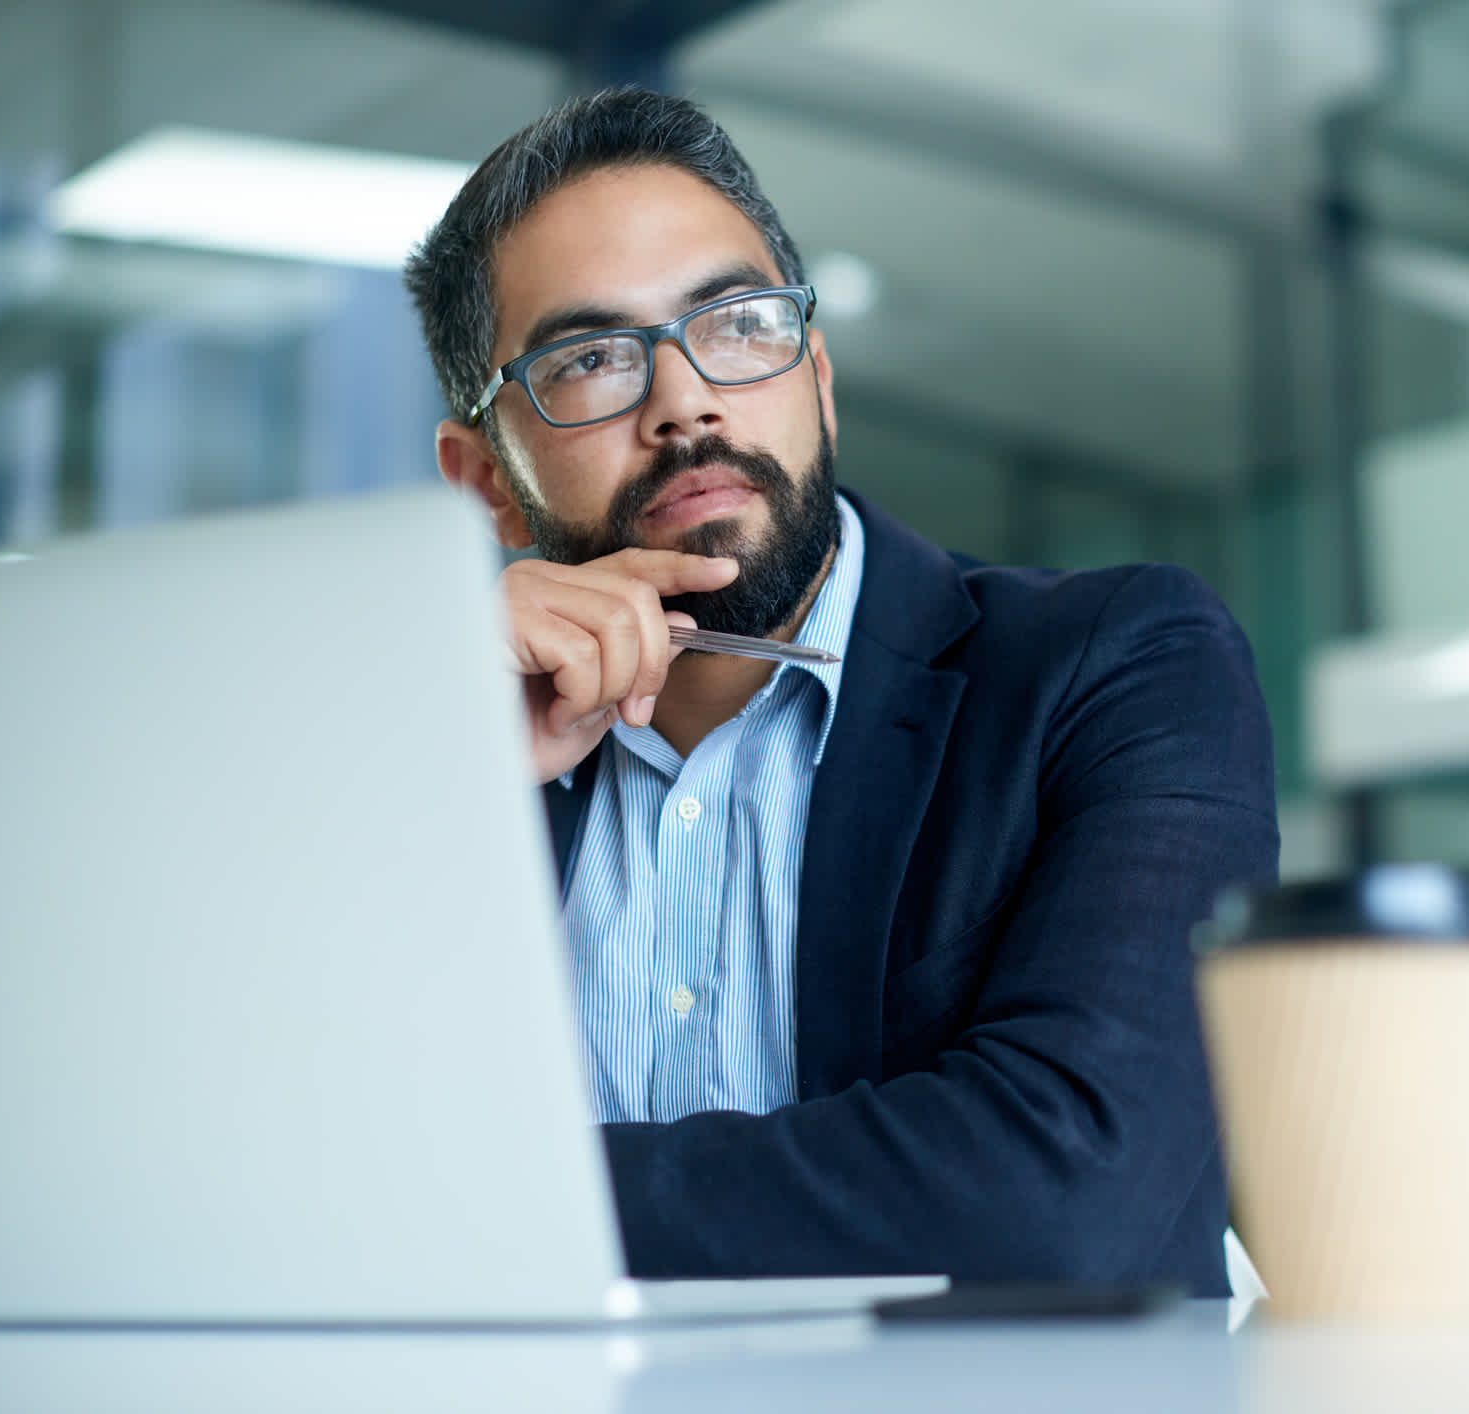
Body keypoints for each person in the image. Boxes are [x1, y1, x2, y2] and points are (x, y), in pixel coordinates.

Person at [404, 88, 1277, 1296]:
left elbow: (1064, 1208)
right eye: (591, 358)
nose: (685, 403)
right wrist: (437, 778)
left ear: (816, 376)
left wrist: (467, 1211)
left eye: (739, 323)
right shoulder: (428, 760)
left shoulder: (1117, 666)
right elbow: (248, 1182)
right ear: (484, 483)